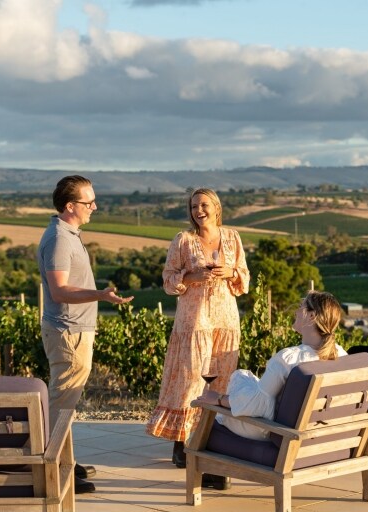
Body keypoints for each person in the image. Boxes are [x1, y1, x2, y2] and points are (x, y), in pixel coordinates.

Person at [37, 175, 134, 494]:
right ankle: (54, 470)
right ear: (70, 205)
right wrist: (101, 295)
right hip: (69, 332)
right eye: (88, 201)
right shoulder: (60, 239)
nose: (94, 206)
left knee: (67, 401)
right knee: (62, 403)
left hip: (75, 330)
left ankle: (66, 461)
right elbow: (60, 290)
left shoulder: (69, 234)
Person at [146, 188, 249, 474]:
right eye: (193, 206)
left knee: (222, 381)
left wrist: (231, 273)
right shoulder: (183, 240)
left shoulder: (232, 237)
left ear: (216, 207)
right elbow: (168, 279)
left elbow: (244, 275)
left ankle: (212, 440)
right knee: (190, 379)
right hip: (194, 319)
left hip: (226, 319)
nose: (198, 211)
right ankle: (180, 445)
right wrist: (192, 277)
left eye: (204, 205)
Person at [198, 290, 347, 443]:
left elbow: (258, 404)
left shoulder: (289, 359)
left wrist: (219, 399)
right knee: (247, 381)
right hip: (324, 438)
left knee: (233, 392)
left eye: (301, 306)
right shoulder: (343, 356)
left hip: (278, 434)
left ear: (311, 316)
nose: (296, 310)